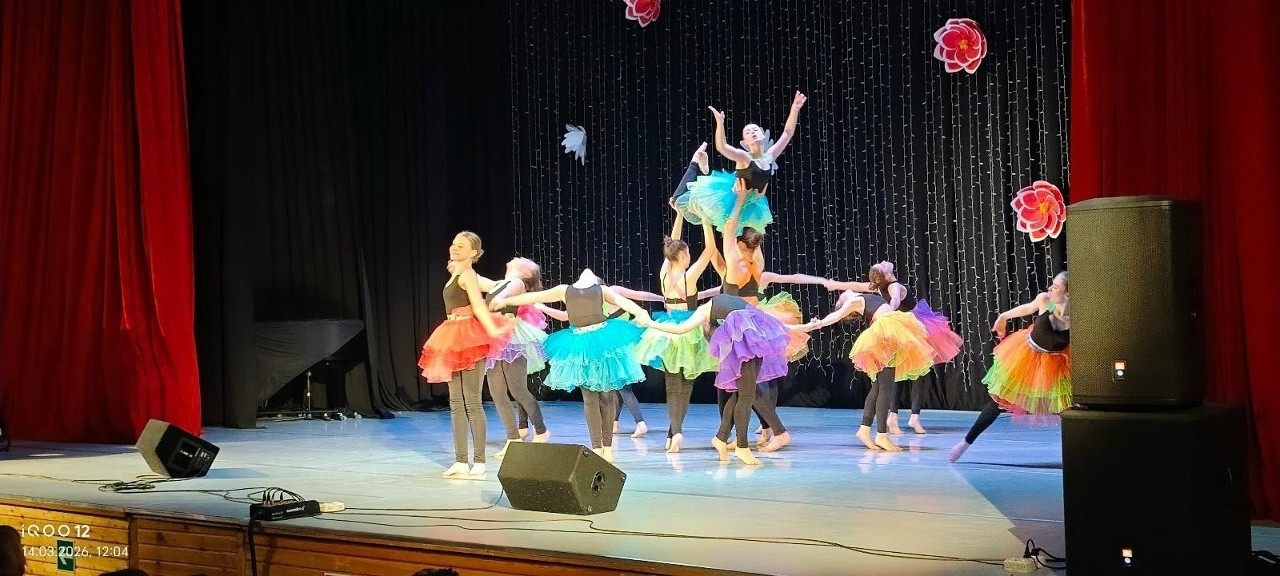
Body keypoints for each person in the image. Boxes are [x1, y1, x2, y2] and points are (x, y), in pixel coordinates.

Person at [492, 270, 652, 463]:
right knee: (590, 398)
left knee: (607, 396)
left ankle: (608, 447)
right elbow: (533, 296)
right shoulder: (564, 290)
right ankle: (597, 447)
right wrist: (505, 300)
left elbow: (624, 302)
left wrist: (641, 313)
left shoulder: (601, 290)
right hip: (580, 346)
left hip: (603, 344)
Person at [639, 293, 813, 465]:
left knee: (741, 395)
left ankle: (721, 438)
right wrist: (650, 323)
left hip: (753, 340)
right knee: (745, 396)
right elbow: (681, 329)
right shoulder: (716, 309)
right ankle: (742, 447)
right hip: (750, 342)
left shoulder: (707, 311)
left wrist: (650, 322)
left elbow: (682, 329)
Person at [826, 261, 964, 434]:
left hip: (900, 328)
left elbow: (855, 285)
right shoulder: (894, 286)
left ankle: (895, 416)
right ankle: (910, 416)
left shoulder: (879, 287)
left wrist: (835, 285)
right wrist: (890, 312)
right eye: (882, 265)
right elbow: (895, 299)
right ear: (887, 275)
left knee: (899, 372)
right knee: (916, 372)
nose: (884, 262)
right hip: (908, 326)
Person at [418, 232, 513, 478]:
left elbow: (479, 304)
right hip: (452, 335)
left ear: (473, 252)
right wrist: (455, 267)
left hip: (470, 337)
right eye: (453, 244)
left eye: (461, 246)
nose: (454, 248)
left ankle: (479, 461)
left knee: (471, 400)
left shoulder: (469, 274)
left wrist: (492, 329)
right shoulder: (457, 273)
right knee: (456, 403)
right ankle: (461, 460)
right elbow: (490, 286)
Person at [950, 272, 1070, 463]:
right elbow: (1028, 307)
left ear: (1068, 293)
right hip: (1026, 357)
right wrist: (1003, 316)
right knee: (999, 401)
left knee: (1068, 408)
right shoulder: (1045, 301)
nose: (1050, 288)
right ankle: (965, 442)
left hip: (1055, 364)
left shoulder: (1077, 317)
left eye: (1055, 287)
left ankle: (1077, 453)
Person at [805, 289, 934, 451]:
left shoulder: (861, 296)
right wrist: (819, 323)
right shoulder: (854, 301)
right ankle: (881, 435)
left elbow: (850, 287)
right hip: (884, 334)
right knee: (885, 387)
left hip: (889, 330)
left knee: (878, 387)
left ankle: (865, 430)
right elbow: (836, 316)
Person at [680, 92, 807, 236]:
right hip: (735, 202)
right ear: (745, 142)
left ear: (762, 135)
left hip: (753, 204)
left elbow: (787, 133)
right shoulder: (744, 157)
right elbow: (722, 147)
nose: (752, 132)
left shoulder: (770, 156)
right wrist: (720, 124)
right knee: (736, 239)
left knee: (752, 244)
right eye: (748, 132)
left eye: (755, 130)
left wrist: (795, 109)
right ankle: (698, 169)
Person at [478, 257, 553, 458]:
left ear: (526, 273)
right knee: (497, 392)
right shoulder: (499, 283)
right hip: (494, 337)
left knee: (518, 390)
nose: (518, 258)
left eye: (524, 261)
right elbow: (478, 281)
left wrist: (497, 300)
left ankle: (541, 430)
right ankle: (513, 438)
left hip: (511, 337)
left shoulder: (517, 282)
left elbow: (503, 295)